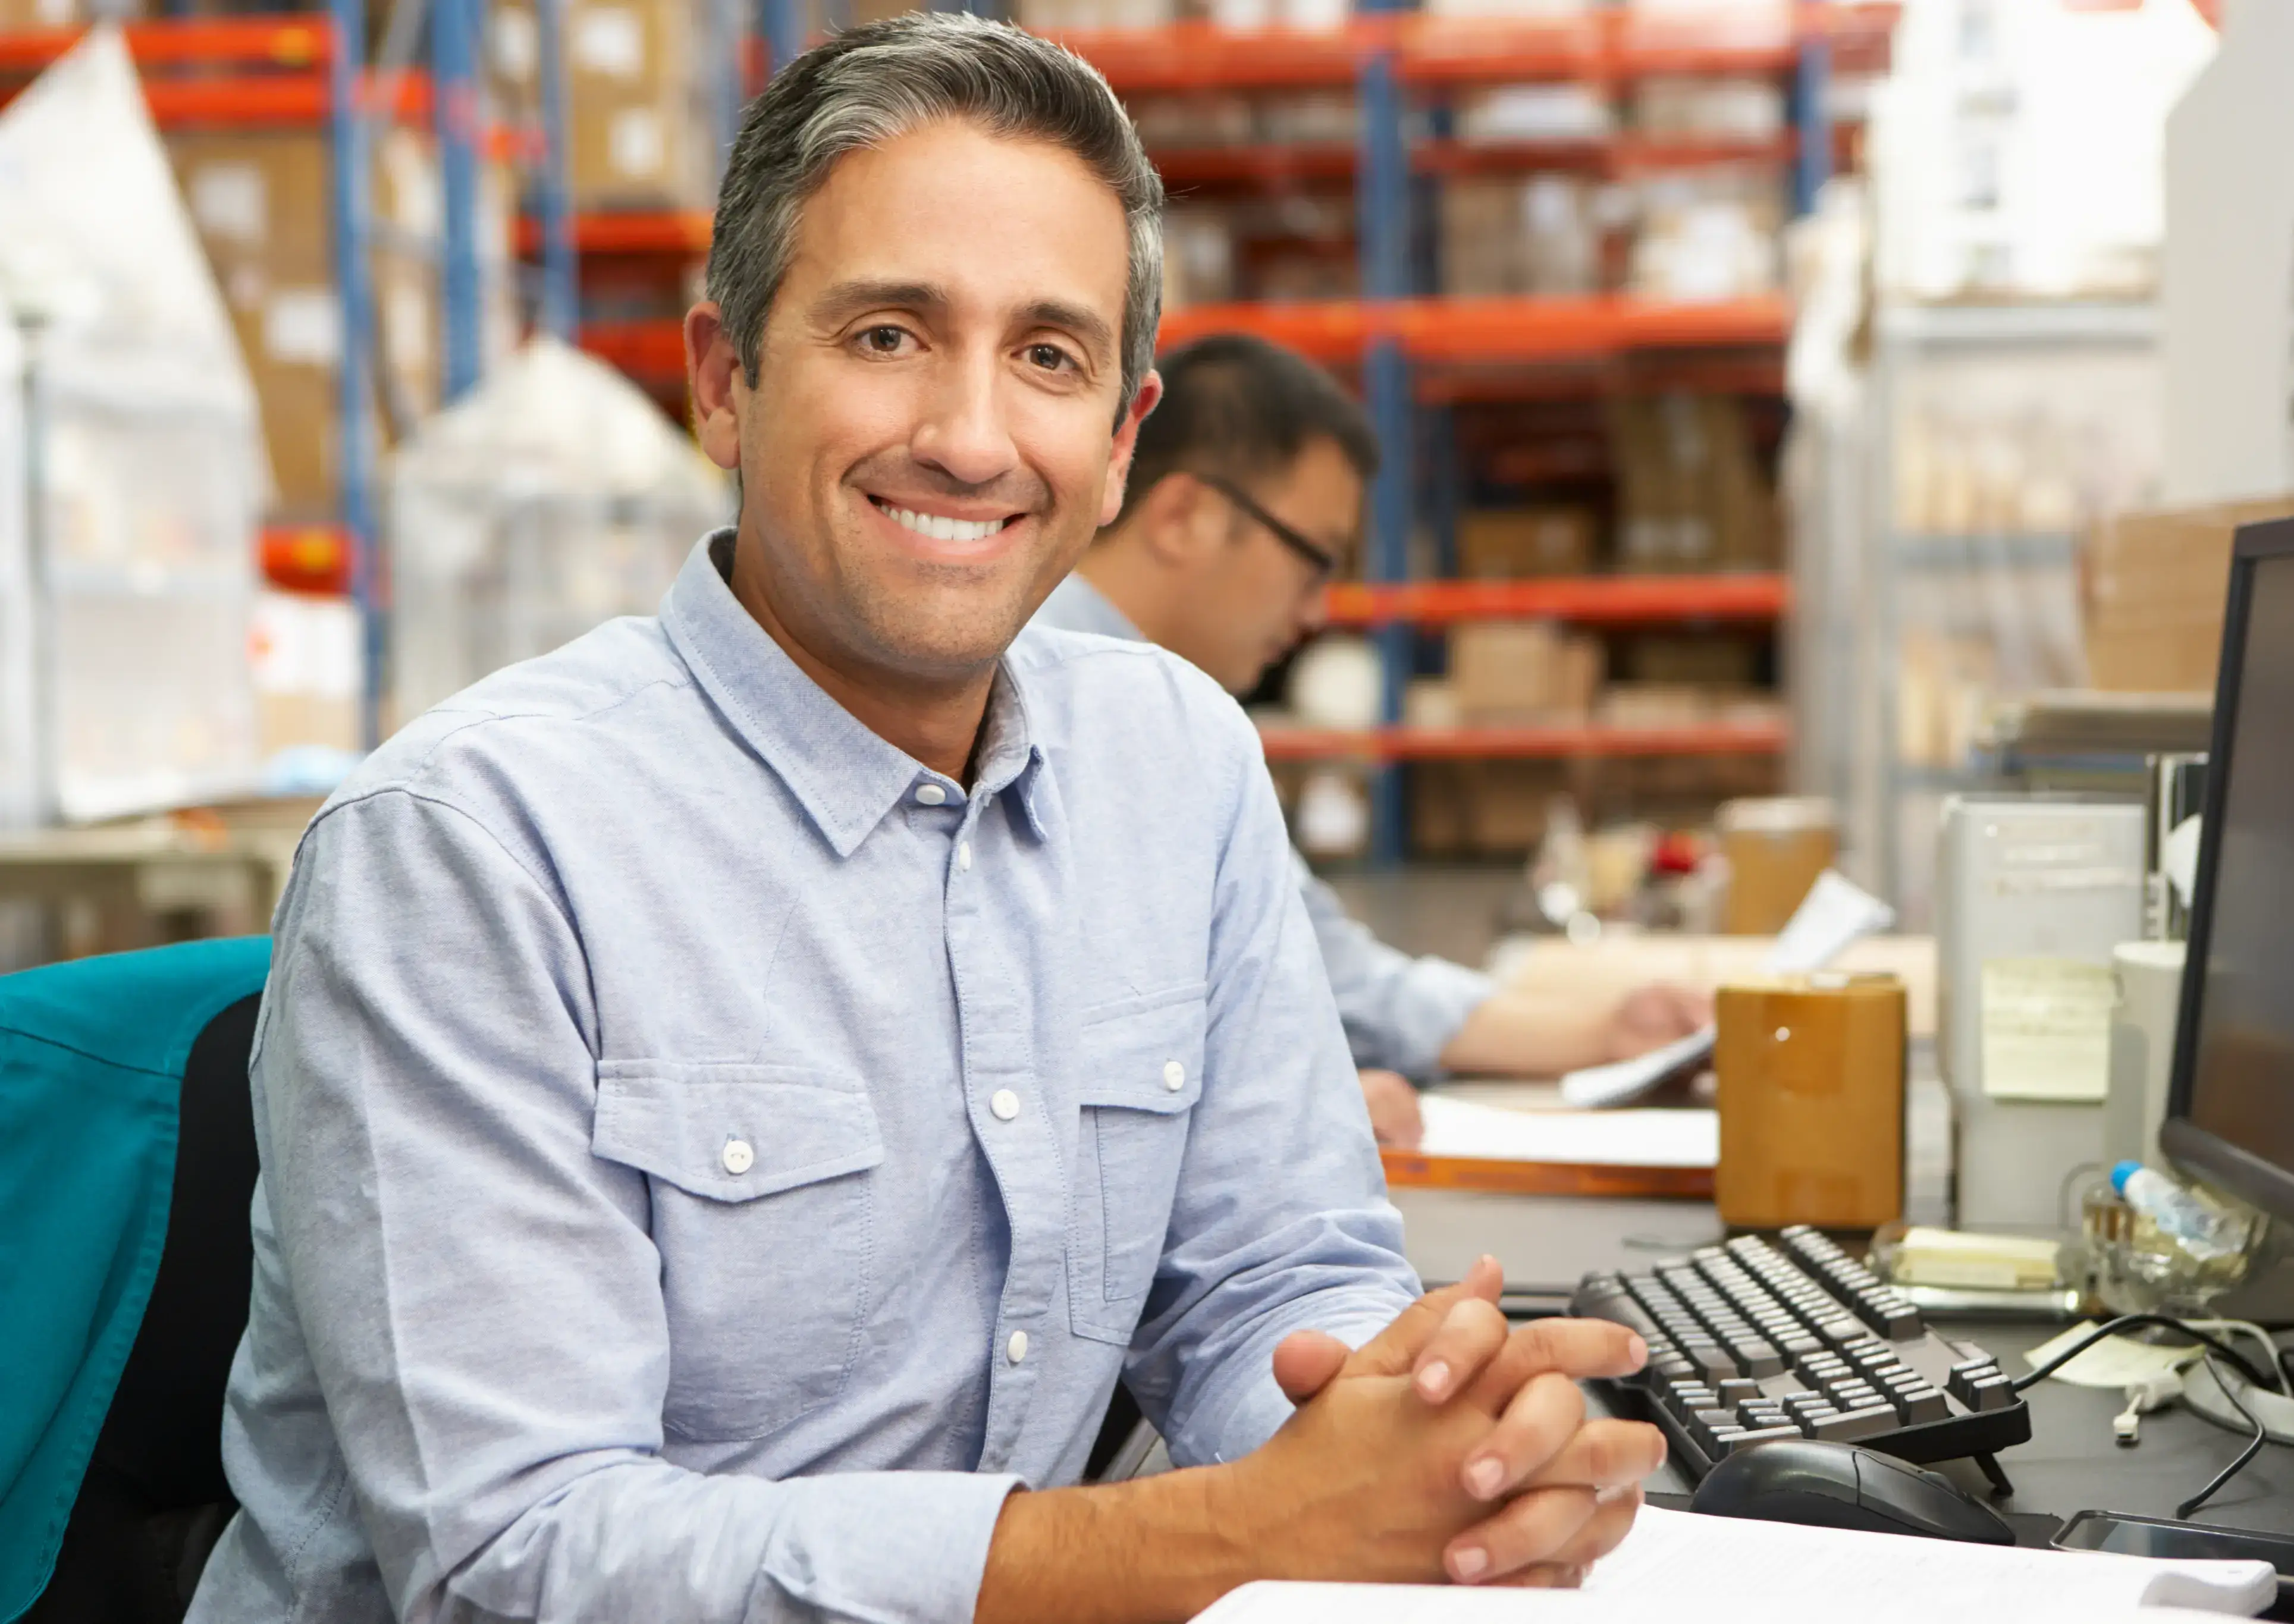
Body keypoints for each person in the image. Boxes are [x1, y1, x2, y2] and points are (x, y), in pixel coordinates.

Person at [187, 18, 1665, 1623]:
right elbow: (522, 1560)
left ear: (1117, 440)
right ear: (723, 384)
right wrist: (1236, 1534)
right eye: (889, 334)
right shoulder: (473, 846)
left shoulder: (1177, 763)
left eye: (1048, 355)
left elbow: (1271, 1280)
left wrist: (1431, 1454)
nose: (970, 436)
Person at [1030, 334, 1711, 1148]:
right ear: (1184, 517)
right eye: (1314, 560)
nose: (1318, 612)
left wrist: (1604, 1033)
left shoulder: (1170, 721)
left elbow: (1328, 973)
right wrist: (1280, 1111)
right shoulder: (1051, 698)